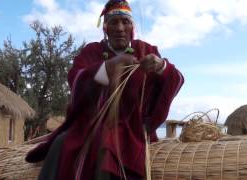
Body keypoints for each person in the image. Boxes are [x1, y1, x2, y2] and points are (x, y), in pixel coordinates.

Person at [25, 0, 184, 179]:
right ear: (105, 27)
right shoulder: (91, 52)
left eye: (125, 21)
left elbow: (176, 79)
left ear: (132, 27)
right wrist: (107, 67)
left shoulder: (145, 50)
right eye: (113, 22)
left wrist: (161, 66)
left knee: (107, 144)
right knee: (63, 143)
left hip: (134, 129)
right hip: (91, 125)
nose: (120, 28)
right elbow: (76, 80)